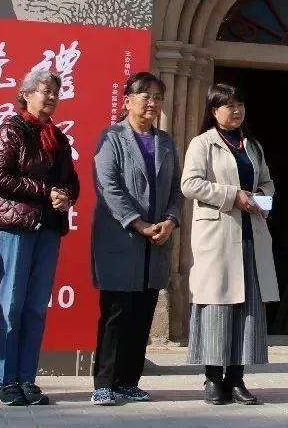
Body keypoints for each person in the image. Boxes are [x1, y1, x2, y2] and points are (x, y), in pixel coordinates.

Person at [181, 83, 278, 406]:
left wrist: (261, 201)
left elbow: (266, 183)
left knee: (247, 308)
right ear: (214, 110)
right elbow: (190, 184)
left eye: (240, 105)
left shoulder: (253, 146)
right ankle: (212, 378)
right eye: (228, 106)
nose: (236, 111)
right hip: (218, 236)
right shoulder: (203, 143)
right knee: (218, 307)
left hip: (251, 237)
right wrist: (231, 196)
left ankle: (236, 379)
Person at [0, 70, 78, 406]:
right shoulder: (12, 129)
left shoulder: (58, 138)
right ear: (25, 94)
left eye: (56, 91)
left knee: (37, 306)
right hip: (15, 226)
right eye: (45, 90)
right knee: (11, 302)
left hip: (48, 228)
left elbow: (73, 182)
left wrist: (65, 195)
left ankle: (26, 377)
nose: (51, 96)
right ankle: (5, 378)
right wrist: (45, 191)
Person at [89, 73, 181, 406]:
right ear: (127, 100)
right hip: (121, 239)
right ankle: (104, 381)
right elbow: (108, 187)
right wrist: (138, 223)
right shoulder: (111, 137)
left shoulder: (166, 142)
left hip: (156, 242)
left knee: (142, 312)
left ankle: (129, 380)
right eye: (145, 96)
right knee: (116, 313)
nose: (152, 103)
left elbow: (175, 189)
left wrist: (170, 221)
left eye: (158, 96)